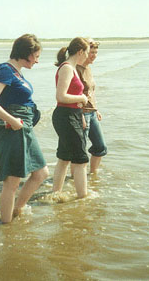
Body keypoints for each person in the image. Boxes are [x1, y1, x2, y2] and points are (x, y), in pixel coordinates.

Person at [0, 34, 49, 223]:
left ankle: (17, 210)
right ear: (26, 53)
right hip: (12, 128)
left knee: (41, 173)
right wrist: (12, 120)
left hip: (24, 127)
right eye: (36, 56)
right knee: (12, 181)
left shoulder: (17, 72)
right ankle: (7, 226)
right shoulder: (5, 70)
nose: (37, 60)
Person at [52, 37, 89, 198]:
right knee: (81, 160)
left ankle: (55, 194)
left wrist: (80, 116)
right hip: (65, 116)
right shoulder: (67, 68)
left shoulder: (72, 68)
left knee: (64, 157)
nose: (87, 57)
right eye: (87, 53)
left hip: (70, 115)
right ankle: (84, 198)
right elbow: (61, 96)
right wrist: (81, 98)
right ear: (80, 52)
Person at [76, 39, 107, 174]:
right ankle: (74, 179)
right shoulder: (76, 69)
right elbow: (75, 94)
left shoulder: (88, 68)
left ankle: (92, 175)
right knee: (79, 150)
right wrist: (81, 115)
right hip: (82, 113)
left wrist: (96, 108)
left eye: (96, 52)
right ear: (83, 53)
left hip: (92, 113)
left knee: (100, 147)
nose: (94, 55)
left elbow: (89, 92)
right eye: (91, 52)